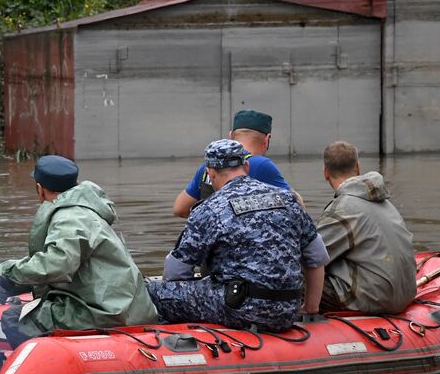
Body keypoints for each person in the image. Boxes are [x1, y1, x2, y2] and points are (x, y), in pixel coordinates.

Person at [149, 139, 328, 333]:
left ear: (210, 173)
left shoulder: (210, 208)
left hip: (239, 309)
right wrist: (310, 308)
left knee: (154, 291)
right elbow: (317, 257)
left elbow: (176, 273)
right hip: (287, 310)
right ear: (247, 166)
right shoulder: (287, 199)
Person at [0, 155, 159, 347]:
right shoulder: (85, 211)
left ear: (40, 189)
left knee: (15, 319)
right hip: (117, 306)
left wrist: (11, 277)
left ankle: (41, 368)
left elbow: (57, 263)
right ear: (76, 183)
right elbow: (47, 260)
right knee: (28, 311)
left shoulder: (70, 217)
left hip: (105, 312)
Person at [317, 141, 416, 314]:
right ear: (358, 167)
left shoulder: (342, 209)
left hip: (372, 299)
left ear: (325, 172)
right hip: (405, 294)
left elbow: (311, 256)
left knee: (296, 274)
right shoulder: (386, 202)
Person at [172, 109, 303, 218]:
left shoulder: (209, 168)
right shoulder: (261, 165)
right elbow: (298, 207)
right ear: (267, 139)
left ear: (231, 136)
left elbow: (180, 209)